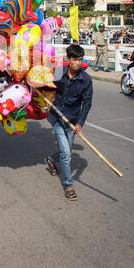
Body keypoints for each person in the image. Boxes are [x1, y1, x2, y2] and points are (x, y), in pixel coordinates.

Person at [45, 44, 93, 201]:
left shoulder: (86, 80)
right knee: (66, 154)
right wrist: (46, 98)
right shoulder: (59, 73)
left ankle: (51, 159)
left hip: (72, 120)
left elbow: (86, 104)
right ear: (68, 59)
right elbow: (47, 87)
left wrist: (80, 123)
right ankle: (68, 185)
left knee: (67, 151)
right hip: (57, 117)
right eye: (74, 60)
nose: (77, 63)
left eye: (80, 60)